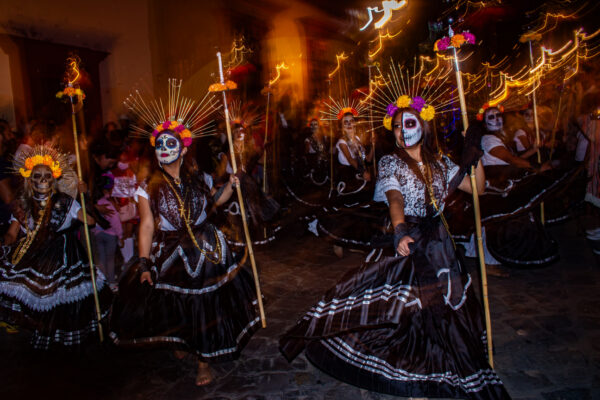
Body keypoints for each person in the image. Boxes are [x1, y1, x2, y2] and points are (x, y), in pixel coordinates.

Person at [280, 94, 511, 399]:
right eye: (397, 127)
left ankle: (447, 363)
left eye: (409, 124)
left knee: (450, 307)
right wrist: (400, 232)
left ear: (423, 126)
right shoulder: (390, 162)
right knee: (408, 310)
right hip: (412, 242)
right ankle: (415, 368)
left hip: (442, 246)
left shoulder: (440, 161)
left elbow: (478, 189)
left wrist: (474, 155)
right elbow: (395, 199)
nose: (402, 131)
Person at [110, 82, 260, 386]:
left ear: (183, 147)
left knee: (205, 305)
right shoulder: (147, 187)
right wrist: (142, 262)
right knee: (176, 305)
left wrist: (231, 185)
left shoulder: (199, 177)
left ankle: (204, 362)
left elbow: (214, 204)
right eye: (160, 145)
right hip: (170, 252)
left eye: (170, 144)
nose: (164, 150)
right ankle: (182, 342)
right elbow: (147, 225)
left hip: (206, 250)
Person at [0, 145, 111, 350]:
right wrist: (6, 243)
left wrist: (84, 197)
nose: (42, 181)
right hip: (38, 254)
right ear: (30, 179)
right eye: (37, 176)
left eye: (47, 176)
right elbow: (13, 232)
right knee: (40, 296)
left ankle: (61, 339)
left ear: (53, 179)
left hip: (65, 255)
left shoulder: (64, 202)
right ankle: (44, 333)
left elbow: (91, 222)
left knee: (61, 298)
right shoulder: (25, 204)